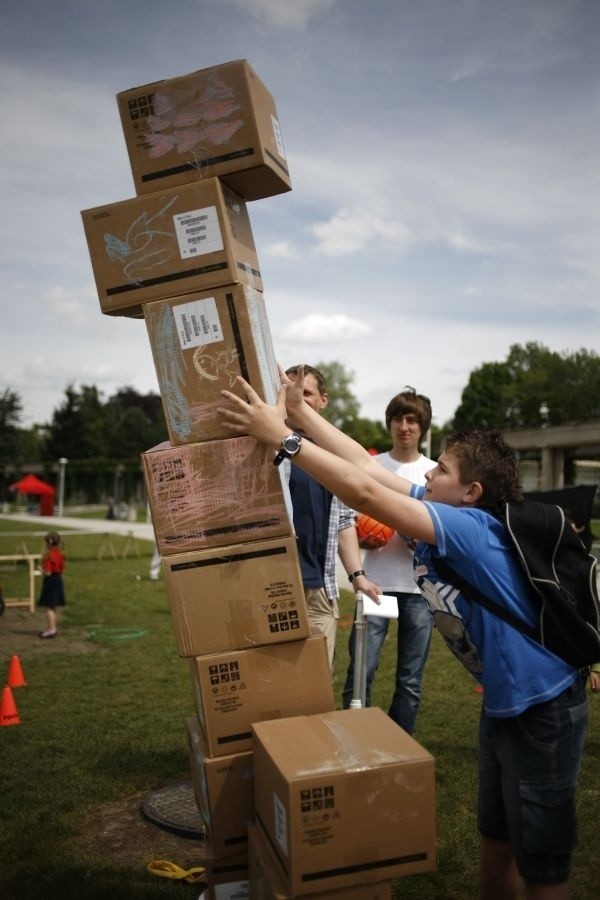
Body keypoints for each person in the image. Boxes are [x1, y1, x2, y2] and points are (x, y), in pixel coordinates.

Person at [218, 368, 589, 900]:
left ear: (471, 492)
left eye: (441, 469)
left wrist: (282, 438)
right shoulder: (451, 507)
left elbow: (365, 491)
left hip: (545, 708)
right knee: (498, 838)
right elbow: (366, 467)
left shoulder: (468, 528)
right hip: (508, 704)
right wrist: (299, 413)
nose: (428, 473)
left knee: (544, 869)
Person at [342, 387, 436, 733]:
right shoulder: (372, 466)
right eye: (398, 418)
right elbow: (348, 520)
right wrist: (362, 533)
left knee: (410, 679)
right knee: (362, 670)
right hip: (374, 582)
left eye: (412, 420)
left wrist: (423, 540)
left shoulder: (434, 472)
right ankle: (354, 738)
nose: (405, 426)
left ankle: (400, 745)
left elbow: (441, 531)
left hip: (420, 588)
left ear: (422, 426)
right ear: (390, 423)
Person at [283, 365, 380, 674]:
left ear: (322, 400)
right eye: (288, 390)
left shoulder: (335, 454)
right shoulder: (269, 445)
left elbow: (342, 521)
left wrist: (357, 575)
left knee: (317, 679)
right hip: (276, 584)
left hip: (319, 589)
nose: (296, 396)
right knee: (277, 680)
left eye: (306, 392)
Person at [38, 531, 66, 639]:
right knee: (53, 607)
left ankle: (52, 630)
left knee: (49, 607)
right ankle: (52, 628)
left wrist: (41, 570)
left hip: (51, 581)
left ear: (49, 543)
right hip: (58, 580)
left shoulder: (49, 555)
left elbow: (48, 572)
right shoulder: (60, 553)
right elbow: (62, 568)